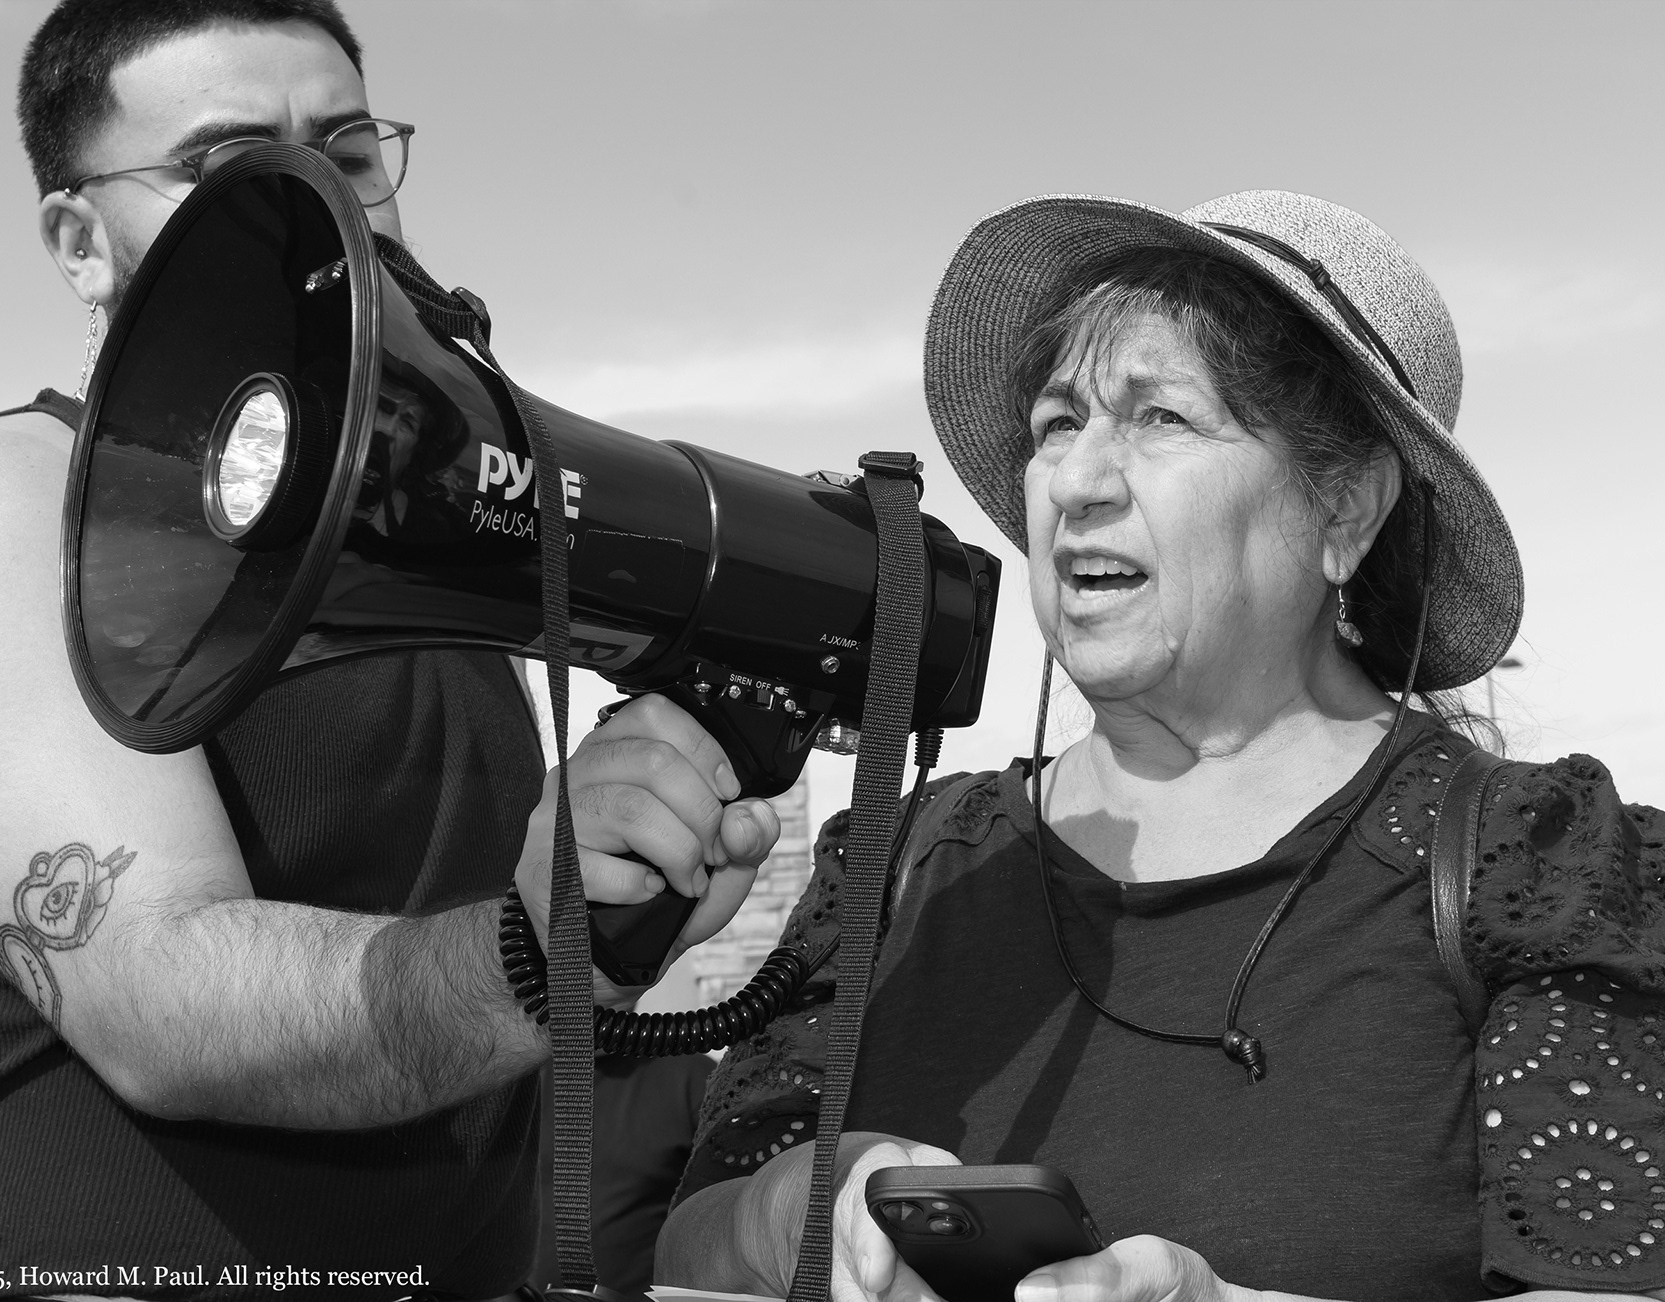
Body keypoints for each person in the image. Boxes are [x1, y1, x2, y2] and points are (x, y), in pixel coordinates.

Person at [657, 189, 1665, 1302]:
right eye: (1057, 424)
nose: (1075, 482)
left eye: (1162, 418)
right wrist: (806, 1205)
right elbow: (685, 1248)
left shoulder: (1540, 864)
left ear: (1344, 509)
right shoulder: (896, 865)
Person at [0, 0, 777, 1293]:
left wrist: (617, 887)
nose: (320, 200)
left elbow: (471, 959)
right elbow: (153, 994)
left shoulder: (425, 527)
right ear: (81, 243)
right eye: (227, 163)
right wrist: (536, 953)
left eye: (349, 152)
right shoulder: (29, 498)